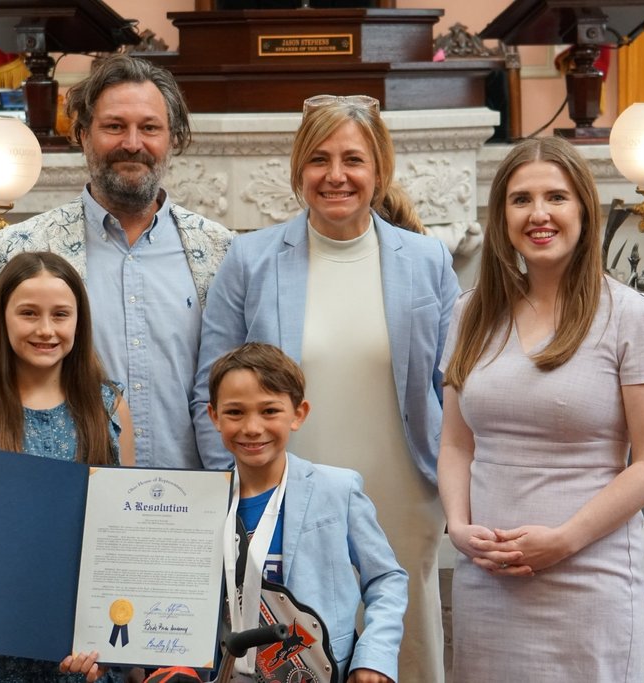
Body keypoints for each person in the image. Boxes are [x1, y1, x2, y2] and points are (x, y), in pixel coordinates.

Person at [191, 95, 458, 681]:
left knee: (404, 648)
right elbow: (206, 389)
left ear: (379, 170)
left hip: (404, 489)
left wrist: (455, 487)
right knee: (297, 647)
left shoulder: (427, 259)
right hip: (282, 495)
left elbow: (451, 389)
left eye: (353, 160)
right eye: (318, 159)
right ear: (297, 172)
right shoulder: (251, 259)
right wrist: (234, 496)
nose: (335, 176)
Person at [0, 55, 234, 496]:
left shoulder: (219, 250)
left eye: (150, 127)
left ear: (173, 137)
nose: (132, 142)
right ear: (82, 134)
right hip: (62, 507)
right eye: (114, 126)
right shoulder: (21, 247)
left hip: (194, 502)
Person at [437, 136, 644, 682]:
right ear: (501, 214)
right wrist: (457, 525)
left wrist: (564, 540)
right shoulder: (470, 313)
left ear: (583, 209)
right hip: (486, 578)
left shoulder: (635, 318)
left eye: (557, 197)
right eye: (521, 199)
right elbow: (456, 442)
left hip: (587, 577)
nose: (539, 214)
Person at [0, 251, 134, 683]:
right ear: (0, 320)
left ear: (79, 322)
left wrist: (115, 650)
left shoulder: (109, 409)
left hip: (75, 657)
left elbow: (122, 538)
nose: (46, 329)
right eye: (28, 313)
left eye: (60, 314)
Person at [208, 342, 407, 683]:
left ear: (298, 414)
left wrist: (375, 655)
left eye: (269, 411)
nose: (252, 427)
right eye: (235, 412)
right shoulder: (203, 500)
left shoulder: (338, 490)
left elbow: (387, 579)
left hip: (319, 670)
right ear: (214, 416)